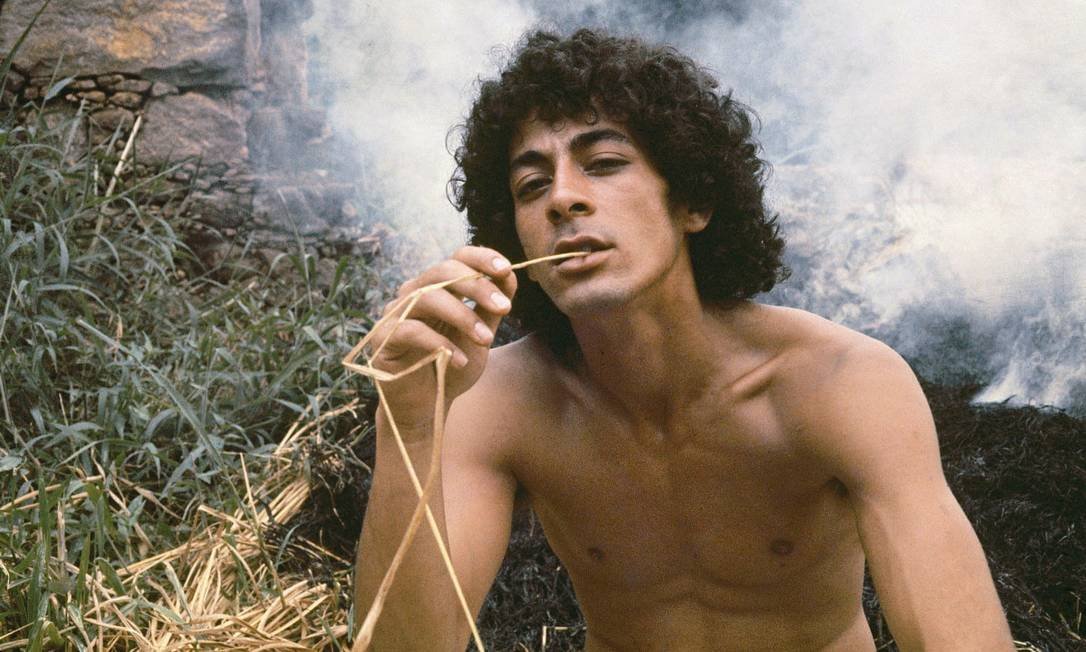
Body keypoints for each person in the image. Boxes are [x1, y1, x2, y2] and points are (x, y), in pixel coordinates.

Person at [353, 28, 1014, 651]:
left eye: (603, 163)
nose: (562, 198)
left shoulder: (843, 383)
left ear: (694, 202)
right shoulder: (494, 403)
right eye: (532, 185)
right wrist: (407, 423)